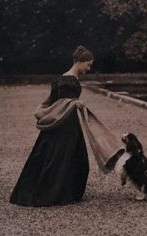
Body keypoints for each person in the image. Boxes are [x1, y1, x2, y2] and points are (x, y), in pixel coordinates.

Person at [10, 45, 94, 206]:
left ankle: (50, 189)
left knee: (51, 155)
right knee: (67, 157)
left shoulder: (60, 78)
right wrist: (77, 103)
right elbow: (65, 102)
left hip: (58, 122)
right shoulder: (70, 81)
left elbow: (56, 100)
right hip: (67, 123)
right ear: (80, 62)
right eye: (88, 64)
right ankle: (56, 192)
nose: (88, 68)